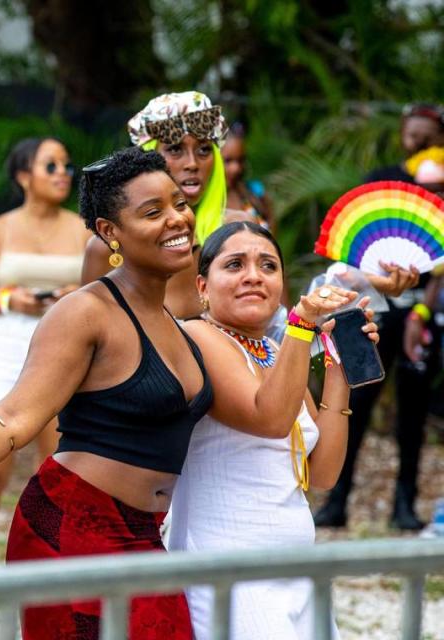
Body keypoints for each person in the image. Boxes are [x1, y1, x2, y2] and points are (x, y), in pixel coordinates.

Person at [0, 148, 214, 639]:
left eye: (178, 203)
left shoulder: (179, 316)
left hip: (144, 532)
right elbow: (12, 419)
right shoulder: (84, 313)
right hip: (72, 527)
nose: (178, 218)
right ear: (109, 232)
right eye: (153, 212)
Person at [169, 221, 378, 639]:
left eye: (268, 266)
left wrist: (338, 370)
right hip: (230, 567)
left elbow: (320, 475)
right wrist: (301, 326)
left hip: (295, 564)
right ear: (203, 286)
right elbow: (269, 419)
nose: (253, 275)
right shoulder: (195, 335)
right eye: (235, 264)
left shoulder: (275, 351)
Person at [0, 137, 87, 570]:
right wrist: (10, 300)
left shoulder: (84, 228)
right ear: (23, 175)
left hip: (62, 343)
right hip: (6, 343)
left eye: (66, 165)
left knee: (55, 470)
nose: (63, 174)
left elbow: (108, 290)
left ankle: (48, 579)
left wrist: (76, 294)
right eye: (51, 166)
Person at [314, 112, 439, 530]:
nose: (416, 143)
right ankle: (338, 499)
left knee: (414, 409)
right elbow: (350, 252)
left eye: (426, 137)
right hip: (374, 306)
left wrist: (422, 308)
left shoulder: (440, 186)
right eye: (411, 136)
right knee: (360, 397)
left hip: (423, 312)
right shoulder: (381, 179)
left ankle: (404, 504)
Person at [80, 91, 227, 319]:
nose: (192, 163)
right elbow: (88, 330)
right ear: (150, 156)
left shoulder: (238, 231)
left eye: (204, 149)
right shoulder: (108, 247)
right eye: (175, 149)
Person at [221, 123, 274, 229]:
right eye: (228, 161)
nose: (236, 168)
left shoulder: (255, 192)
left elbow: (271, 223)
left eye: (240, 160)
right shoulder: (205, 200)